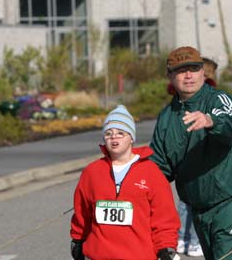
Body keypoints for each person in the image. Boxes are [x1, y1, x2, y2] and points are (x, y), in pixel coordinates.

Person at [150, 46, 232, 260]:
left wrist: (211, 121)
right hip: (198, 207)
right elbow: (158, 167)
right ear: (170, 76)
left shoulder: (218, 99)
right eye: (181, 70)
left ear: (202, 72)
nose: (188, 75)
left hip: (231, 199)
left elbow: (231, 123)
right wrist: (128, 182)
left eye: (193, 68)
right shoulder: (166, 117)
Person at [70, 105, 181, 260]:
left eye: (120, 133)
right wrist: (77, 239)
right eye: (108, 134)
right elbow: (82, 212)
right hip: (98, 255)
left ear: (131, 138)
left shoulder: (151, 172)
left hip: (139, 255)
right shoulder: (92, 172)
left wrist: (166, 248)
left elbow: (164, 217)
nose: (114, 137)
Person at [168, 56, 218, 257]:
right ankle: (188, 239)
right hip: (191, 156)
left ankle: (188, 239)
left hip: (200, 154)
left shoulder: (212, 93)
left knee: (189, 203)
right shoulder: (184, 98)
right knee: (190, 202)